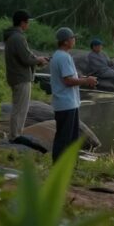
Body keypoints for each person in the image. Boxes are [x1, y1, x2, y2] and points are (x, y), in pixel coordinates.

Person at [49, 28, 97, 162]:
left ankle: (68, 166)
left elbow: (70, 76)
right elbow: (68, 80)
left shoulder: (59, 55)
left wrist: (82, 77)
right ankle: (60, 167)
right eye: (72, 38)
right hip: (66, 104)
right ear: (65, 41)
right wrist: (87, 81)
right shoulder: (63, 57)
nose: (74, 40)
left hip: (68, 103)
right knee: (65, 138)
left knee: (70, 137)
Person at [3, 10, 48, 140]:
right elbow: (26, 59)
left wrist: (37, 59)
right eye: (27, 22)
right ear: (22, 23)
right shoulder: (18, 37)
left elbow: (25, 57)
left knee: (18, 108)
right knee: (20, 109)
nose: (28, 25)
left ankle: (15, 134)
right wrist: (39, 60)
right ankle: (15, 136)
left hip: (16, 77)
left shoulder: (13, 36)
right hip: (21, 78)